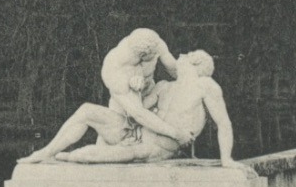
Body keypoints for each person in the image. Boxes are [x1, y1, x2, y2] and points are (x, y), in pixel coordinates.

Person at [18, 28, 195, 165]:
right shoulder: (116, 70)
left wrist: (193, 72)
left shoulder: (152, 42)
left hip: (152, 112)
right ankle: (45, 153)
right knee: (86, 113)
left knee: (101, 153)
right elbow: (138, 114)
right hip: (127, 120)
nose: (153, 60)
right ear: (141, 56)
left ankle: (66, 155)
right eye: (149, 59)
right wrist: (177, 134)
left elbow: (173, 68)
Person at [54, 50, 237, 168]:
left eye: (187, 55)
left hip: (155, 146)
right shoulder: (164, 86)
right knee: (87, 110)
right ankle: (49, 152)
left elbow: (223, 123)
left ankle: (69, 157)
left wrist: (226, 159)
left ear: (196, 63)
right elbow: (135, 112)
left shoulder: (205, 85)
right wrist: (135, 86)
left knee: (92, 156)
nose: (180, 55)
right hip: (136, 132)